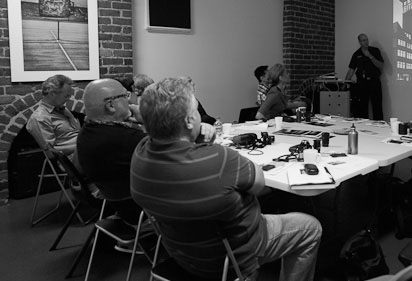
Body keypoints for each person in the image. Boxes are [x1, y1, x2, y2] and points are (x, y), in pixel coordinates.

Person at [130, 77, 322, 281]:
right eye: (195, 111)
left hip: (179, 251)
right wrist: (209, 147)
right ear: (188, 121)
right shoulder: (219, 159)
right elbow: (259, 184)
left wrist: (198, 141)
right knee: (310, 227)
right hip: (230, 257)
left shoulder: (140, 153)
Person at [76, 78, 147, 225]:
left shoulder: (86, 133)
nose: (130, 101)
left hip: (121, 207)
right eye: (125, 96)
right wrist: (147, 120)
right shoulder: (128, 140)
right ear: (110, 105)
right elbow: (177, 155)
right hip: (143, 211)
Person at [26, 74, 80, 157]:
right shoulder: (40, 118)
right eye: (66, 96)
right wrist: (83, 145)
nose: (69, 99)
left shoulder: (62, 109)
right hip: (73, 159)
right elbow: (52, 153)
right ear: (51, 93)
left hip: (84, 152)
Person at [345, 33, 384, 120]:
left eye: (366, 40)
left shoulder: (375, 51)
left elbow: (381, 65)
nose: (366, 42)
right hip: (362, 83)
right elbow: (351, 70)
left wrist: (370, 56)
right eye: (363, 40)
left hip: (374, 82)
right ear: (359, 42)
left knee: (377, 107)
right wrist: (345, 83)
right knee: (361, 108)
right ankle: (363, 129)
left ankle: (380, 128)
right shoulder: (356, 54)